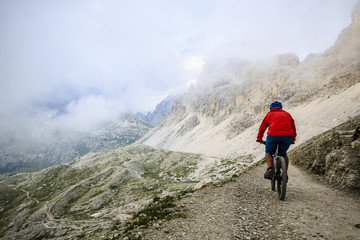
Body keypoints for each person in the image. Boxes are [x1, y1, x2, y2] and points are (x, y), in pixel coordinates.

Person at [256, 101, 297, 179]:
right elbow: (293, 128)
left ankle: (270, 169)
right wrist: (293, 139)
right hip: (287, 136)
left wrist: (259, 139)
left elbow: (262, 128)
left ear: (271, 108)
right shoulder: (287, 114)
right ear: (281, 108)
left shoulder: (269, 114)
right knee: (283, 154)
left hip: (273, 136)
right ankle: (285, 174)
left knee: (268, 152)